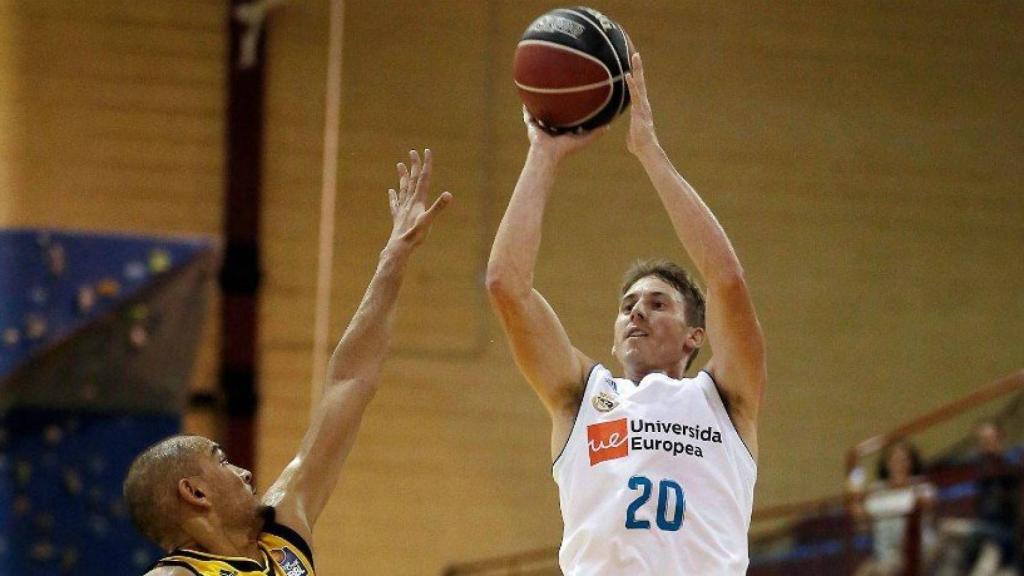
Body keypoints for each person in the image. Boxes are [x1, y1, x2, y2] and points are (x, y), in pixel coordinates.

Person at [486, 51, 765, 575]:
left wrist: (649, 152)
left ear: (695, 336)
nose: (637, 313)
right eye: (627, 306)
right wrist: (542, 154)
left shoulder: (726, 400)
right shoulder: (582, 397)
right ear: (614, 337)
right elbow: (507, 285)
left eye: (658, 304)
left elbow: (726, 278)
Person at [122, 149, 452, 575]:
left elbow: (350, 381)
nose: (243, 472)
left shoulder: (283, 537)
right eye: (221, 461)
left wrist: (394, 257)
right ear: (195, 492)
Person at [849, 441, 937, 576]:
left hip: (916, 551)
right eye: (894, 460)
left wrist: (876, 510)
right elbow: (862, 522)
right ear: (887, 464)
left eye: (904, 459)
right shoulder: (876, 490)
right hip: (884, 554)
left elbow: (925, 505)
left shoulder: (922, 487)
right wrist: (859, 510)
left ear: (911, 463)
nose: (899, 464)